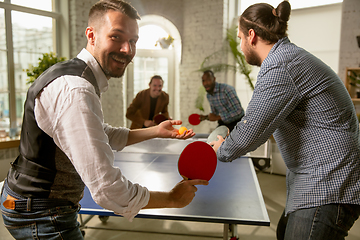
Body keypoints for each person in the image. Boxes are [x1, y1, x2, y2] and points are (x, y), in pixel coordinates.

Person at [0, 1, 208, 239]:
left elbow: (101, 133)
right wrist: (171, 199)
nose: (127, 49)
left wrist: (156, 131)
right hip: (41, 213)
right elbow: (107, 189)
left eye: (133, 41)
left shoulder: (75, 75)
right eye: (116, 37)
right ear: (91, 35)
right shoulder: (76, 90)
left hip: (28, 201)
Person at [211, 1, 360, 240]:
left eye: (239, 38)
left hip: (327, 181)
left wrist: (221, 150)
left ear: (251, 36)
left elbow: (251, 130)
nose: (240, 46)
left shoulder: (281, 65)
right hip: (316, 178)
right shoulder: (288, 57)